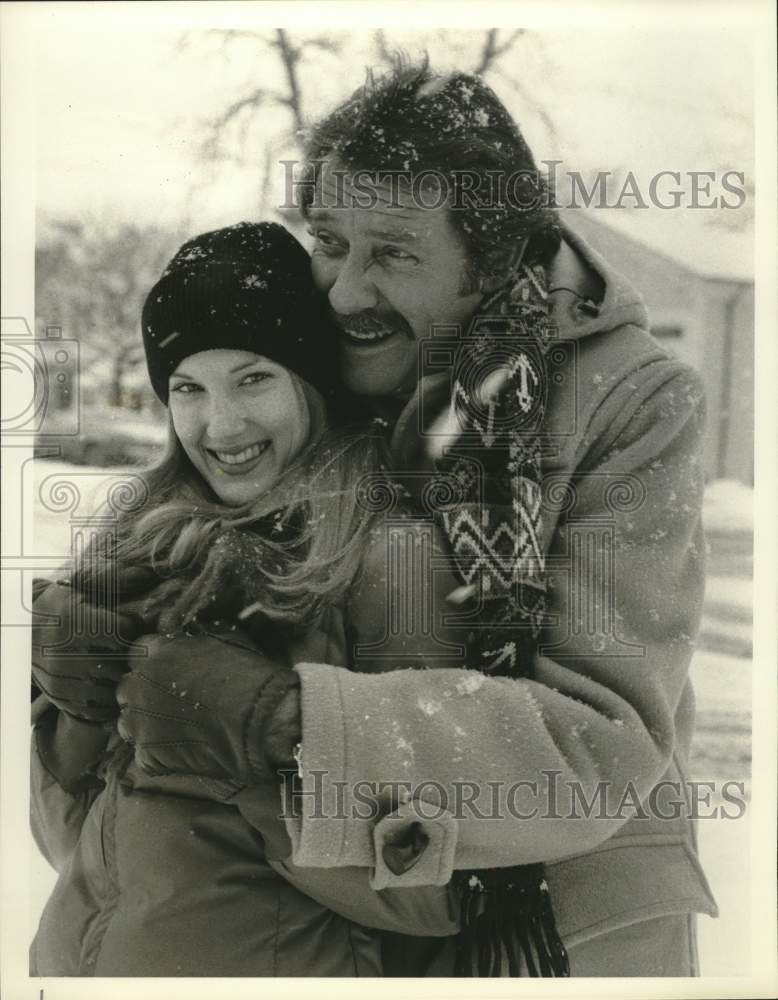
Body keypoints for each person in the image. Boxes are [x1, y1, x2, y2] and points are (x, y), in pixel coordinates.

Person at [116, 62, 719, 978]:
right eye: (328, 242)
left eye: (392, 252)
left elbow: (602, 741)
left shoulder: (628, 402)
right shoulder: (309, 371)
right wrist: (94, 683)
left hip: (560, 932)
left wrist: (288, 719)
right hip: (337, 911)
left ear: (489, 257)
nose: (344, 291)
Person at [29, 221, 464, 976]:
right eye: (188, 388)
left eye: (254, 378)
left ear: (313, 382)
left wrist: (254, 763)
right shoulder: (141, 541)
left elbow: (434, 889)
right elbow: (69, 845)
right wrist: (68, 707)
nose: (220, 425)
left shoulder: (389, 556)